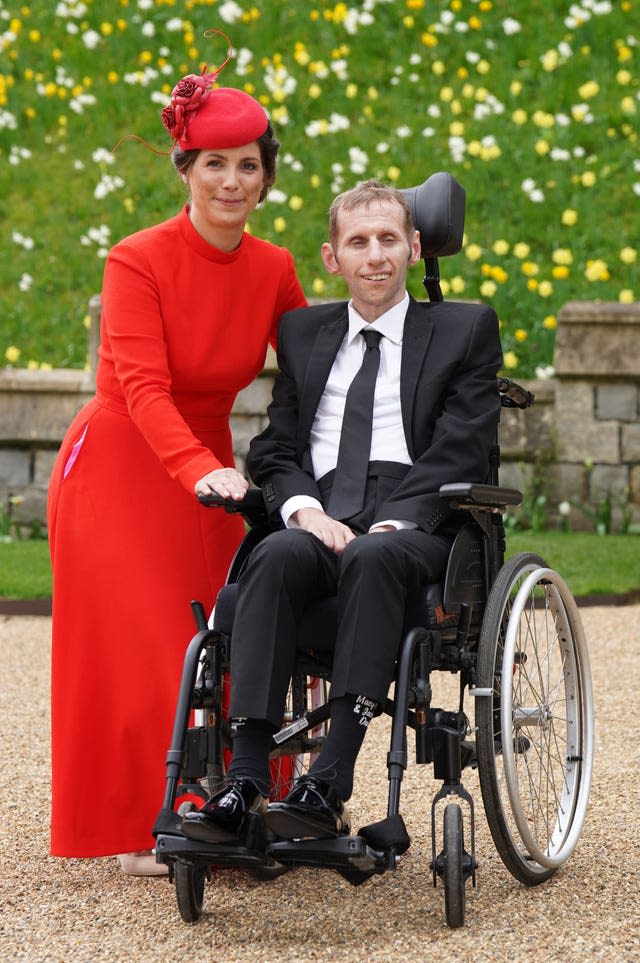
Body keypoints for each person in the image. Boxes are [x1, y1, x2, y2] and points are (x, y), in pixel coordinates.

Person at [47, 34, 306, 874]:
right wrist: (199, 469)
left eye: (249, 165)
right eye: (215, 164)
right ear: (184, 169)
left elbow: (314, 370)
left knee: (228, 635)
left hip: (216, 471)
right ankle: (149, 821)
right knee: (154, 644)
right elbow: (146, 391)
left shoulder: (274, 268)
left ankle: (229, 805)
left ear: (266, 174)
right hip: (125, 462)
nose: (233, 182)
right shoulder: (137, 259)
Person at [181, 179, 502, 845]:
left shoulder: (462, 329)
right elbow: (275, 446)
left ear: (414, 247)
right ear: (333, 258)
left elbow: (463, 447)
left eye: (389, 239)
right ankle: (243, 781)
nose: (375, 254)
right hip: (321, 509)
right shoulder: (303, 332)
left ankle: (328, 780)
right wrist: (300, 509)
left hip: (414, 523)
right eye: (358, 242)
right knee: (272, 553)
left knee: (373, 553)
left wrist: (395, 518)